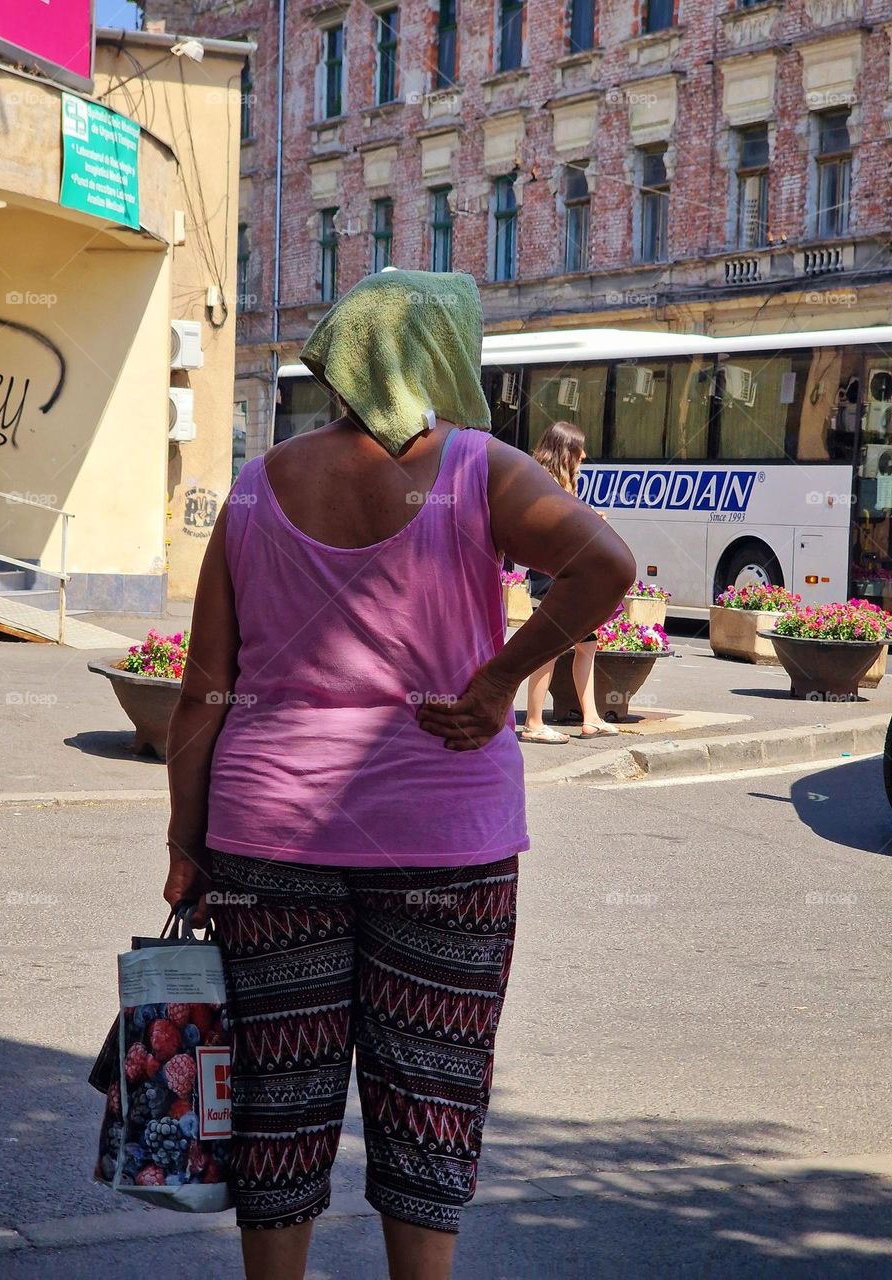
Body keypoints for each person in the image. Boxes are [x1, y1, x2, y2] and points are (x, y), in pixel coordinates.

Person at [162, 269, 634, 1280]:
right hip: (447, 844)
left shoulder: (255, 485)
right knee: (432, 1093)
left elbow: (205, 690)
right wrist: (501, 678)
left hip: (266, 835)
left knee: (276, 1104)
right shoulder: (479, 469)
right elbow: (606, 564)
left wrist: (183, 843)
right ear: (440, 356)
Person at [520, 420, 620, 743]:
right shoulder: (541, 484)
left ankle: (590, 718)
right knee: (549, 648)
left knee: (586, 644)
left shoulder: (561, 483)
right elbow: (553, 528)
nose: (584, 455)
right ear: (565, 451)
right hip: (550, 576)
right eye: (579, 450)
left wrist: (589, 520)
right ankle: (533, 723)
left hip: (566, 574)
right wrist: (588, 521)